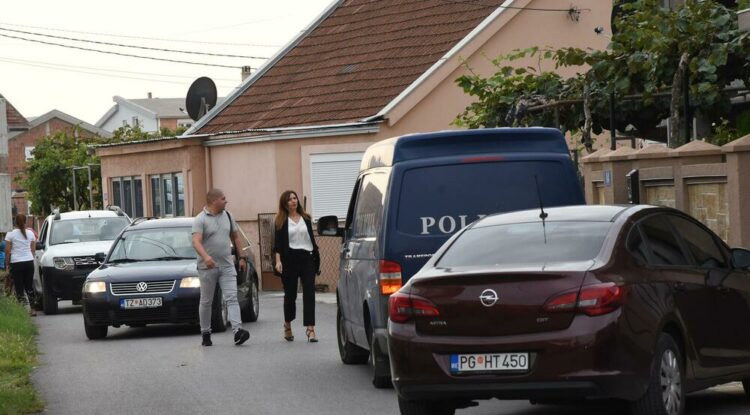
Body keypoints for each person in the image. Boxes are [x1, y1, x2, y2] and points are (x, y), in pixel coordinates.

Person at [191, 189, 250, 346]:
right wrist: (206, 257)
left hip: (227, 265)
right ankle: (205, 333)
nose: (226, 201)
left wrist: (242, 257)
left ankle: (238, 331)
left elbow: (236, 237)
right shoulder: (200, 219)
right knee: (206, 301)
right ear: (214, 201)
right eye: (223, 199)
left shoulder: (228, 216)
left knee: (232, 297)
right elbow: (196, 241)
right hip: (207, 267)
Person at [273, 190, 321, 342]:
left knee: (309, 293)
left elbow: (311, 239)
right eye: (290, 199)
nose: (293, 201)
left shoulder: (306, 218)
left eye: (295, 198)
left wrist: (316, 257)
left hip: (307, 258)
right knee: (290, 295)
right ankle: (287, 324)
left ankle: (310, 328)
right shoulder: (280, 221)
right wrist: (278, 261)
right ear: (284, 203)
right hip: (290, 260)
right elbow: (277, 245)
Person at [4, 214, 37, 315]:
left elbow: (7, 250)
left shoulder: (10, 234)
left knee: (19, 287)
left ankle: (23, 310)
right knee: (29, 286)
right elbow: (33, 249)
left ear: (15, 222)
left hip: (16, 263)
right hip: (29, 262)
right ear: (25, 221)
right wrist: (30, 258)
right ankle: (33, 309)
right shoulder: (30, 233)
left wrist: (7, 264)